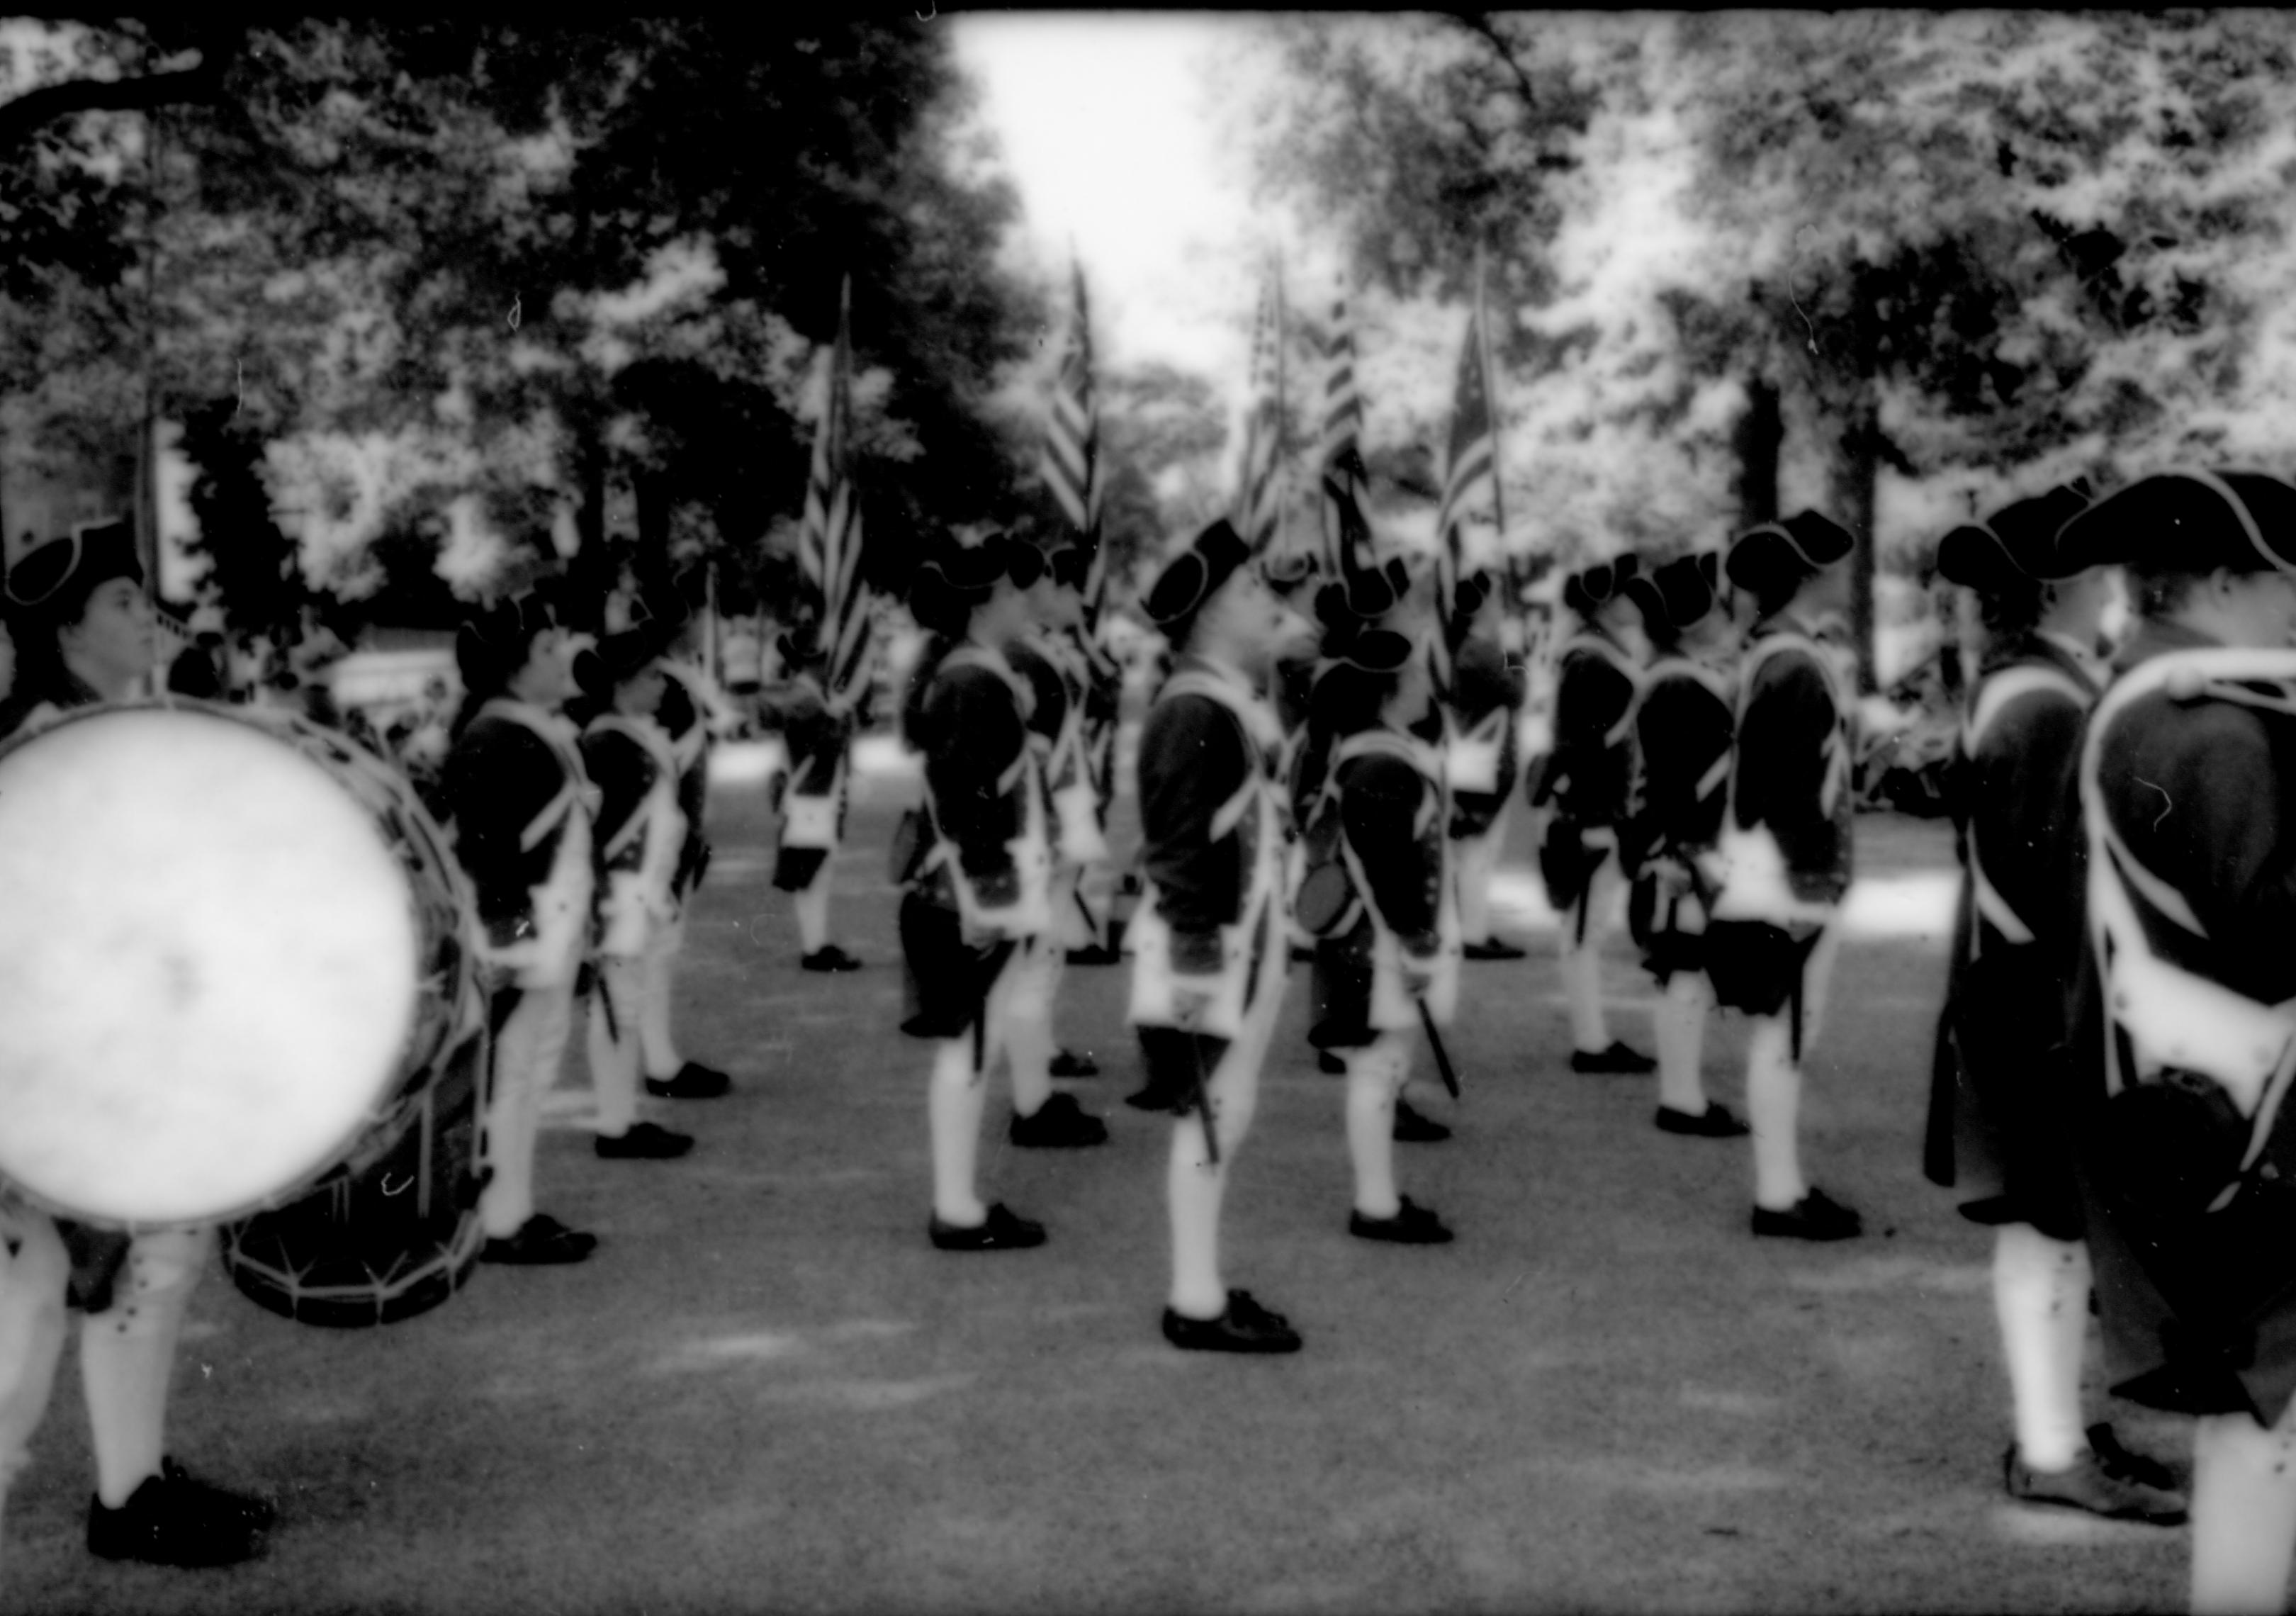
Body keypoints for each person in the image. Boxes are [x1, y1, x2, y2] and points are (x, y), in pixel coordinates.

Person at [0, 522, 275, 1566]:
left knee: (154, 1262)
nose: (146, 614)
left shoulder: (109, 724)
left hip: (123, 1055)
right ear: (65, 628)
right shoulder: (39, 740)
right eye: (122, 600)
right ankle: (125, 1495)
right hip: (57, 1071)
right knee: (25, 1315)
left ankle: (133, 1490)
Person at [1918, 482, 2183, 1525]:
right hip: (2036, 994)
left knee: (2058, 1225)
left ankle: (2060, 1429)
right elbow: (2049, 885)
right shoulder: (2043, 702)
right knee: (2046, 1226)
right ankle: (2050, 1446)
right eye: (2100, 566)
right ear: (2065, 584)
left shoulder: (2040, 681)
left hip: (2025, 987)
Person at [2057, 470, 2296, 1610]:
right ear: (2217, 579)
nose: (2293, 605)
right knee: (2272, 1417)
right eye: (2279, 581)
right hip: (2251, 1115)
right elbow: (2272, 931)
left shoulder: (2153, 692)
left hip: (2201, 1099)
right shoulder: (2202, 723)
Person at [1129, 520, 1311, 1349]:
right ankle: (1194, 1300)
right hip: (1212, 952)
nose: (1267, 599)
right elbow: (1176, 846)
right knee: (1209, 1118)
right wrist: (1198, 969)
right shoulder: (1193, 708)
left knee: (1224, 1117)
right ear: (1203, 615)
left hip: (1247, 938)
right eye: (1248, 592)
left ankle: (1200, 1289)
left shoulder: (1225, 695)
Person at [896, 533, 1067, 1250]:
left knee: (975, 1044)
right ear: (991, 598)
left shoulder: (976, 672)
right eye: (1015, 588)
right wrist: (994, 905)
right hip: (971, 895)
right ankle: (956, 1208)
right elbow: (963, 802)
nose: (1029, 596)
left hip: (977, 890)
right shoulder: (972, 681)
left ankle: (960, 1200)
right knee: (967, 1049)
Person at [1705, 512, 1862, 1240]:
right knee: (1785, 1035)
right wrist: (1810, 888)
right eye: (1834, 565)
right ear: (1809, 576)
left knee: (1783, 1033)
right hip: (1789, 873)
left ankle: (1784, 1183)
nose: (1844, 575)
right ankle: (1776, 1195)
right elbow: (1794, 790)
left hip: (1767, 867)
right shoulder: (1796, 662)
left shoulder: (1780, 651)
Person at [438, 584, 603, 1266]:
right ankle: (502, 1220)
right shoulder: (495, 736)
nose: (561, 652)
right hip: (519, 944)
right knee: (511, 1077)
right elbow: (487, 858)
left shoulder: (532, 728)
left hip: (551, 938)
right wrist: (508, 950)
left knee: (531, 1074)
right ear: (514, 665)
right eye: (545, 646)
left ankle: (514, 1206)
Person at [1302, 573, 1461, 1247]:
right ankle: (1375, 1204)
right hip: (1378, 947)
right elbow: (1392, 876)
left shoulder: (1381, 754)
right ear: (1394, 692)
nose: (1429, 683)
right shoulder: (1380, 767)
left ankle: (1381, 1196)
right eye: (1419, 675)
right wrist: (1420, 950)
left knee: (1383, 1065)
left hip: (1373, 944)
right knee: (1376, 1067)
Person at [1618, 550, 1749, 1139]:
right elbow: (1677, 784)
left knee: (1683, 973)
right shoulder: (1678, 684)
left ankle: (1683, 1093)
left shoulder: (1676, 677)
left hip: (1679, 845)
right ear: (1699, 620)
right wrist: (1679, 854)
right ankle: (1682, 1100)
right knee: (1684, 972)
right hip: (1681, 848)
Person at [994, 534, 1115, 1138]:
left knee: (1044, 957)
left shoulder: (1036, 651)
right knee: (1033, 962)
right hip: (1044, 822)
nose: (1054, 590)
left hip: (1059, 814)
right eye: (1043, 581)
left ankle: (1037, 1077)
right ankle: (1031, 1103)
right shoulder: (1022, 656)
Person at [576, 615, 702, 1161]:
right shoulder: (606, 742)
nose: (663, 684)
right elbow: (589, 832)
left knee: (629, 1006)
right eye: (652, 676)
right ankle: (613, 1123)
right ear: (623, 685)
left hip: (645, 893)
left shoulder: (634, 735)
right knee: (617, 1010)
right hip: (618, 899)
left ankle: (624, 1115)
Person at [1529, 555, 1656, 1075]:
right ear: (1605, 602)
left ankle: (1594, 1036)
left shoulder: (1598, 653)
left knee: (1587, 930)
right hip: (1591, 815)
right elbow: (1580, 750)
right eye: (1628, 592)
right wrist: (1594, 817)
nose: (1637, 600)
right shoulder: (1593, 661)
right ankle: (1590, 1043)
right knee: (1584, 932)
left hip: (1599, 811)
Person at [643, 617, 736, 1101]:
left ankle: (661, 1056)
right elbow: (672, 774)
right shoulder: (670, 687)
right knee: (652, 957)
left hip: (680, 837)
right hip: (665, 843)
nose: (702, 628)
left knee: (658, 955)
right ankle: (658, 1063)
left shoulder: (677, 680)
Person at [764, 615, 864, 973]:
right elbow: (827, 743)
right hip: (810, 797)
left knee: (818, 873)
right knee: (813, 876)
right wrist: (841, 718)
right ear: (813, 660)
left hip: (815, 795)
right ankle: (814, 947)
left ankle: (817, 942)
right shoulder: (806, 698)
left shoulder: (811, 695)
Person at [1444, 571, 1529, 963]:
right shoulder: (1480, 651)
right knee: (1478, 849)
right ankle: (1472, 933)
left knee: (1475, 849)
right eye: (1493, 600)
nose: (1498, 607)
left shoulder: (1474, 647)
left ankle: (1470, 927)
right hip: (1486, 758)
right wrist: (1515, 649)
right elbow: (1519, 690)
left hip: (1480, 754)